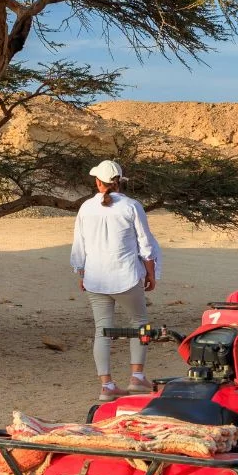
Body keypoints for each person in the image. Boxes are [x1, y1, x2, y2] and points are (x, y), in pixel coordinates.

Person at [71, 160, 162, 402]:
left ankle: (107, 385)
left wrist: (82, 273)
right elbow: (145, 244)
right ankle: (137, 377)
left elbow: (79, 246)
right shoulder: (132, 206)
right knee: (140, 322)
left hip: (95, 278)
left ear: (97, 182)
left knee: (102, 330)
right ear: (119, 182)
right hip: (126, 276)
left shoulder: (86, 208)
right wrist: (151, 273)